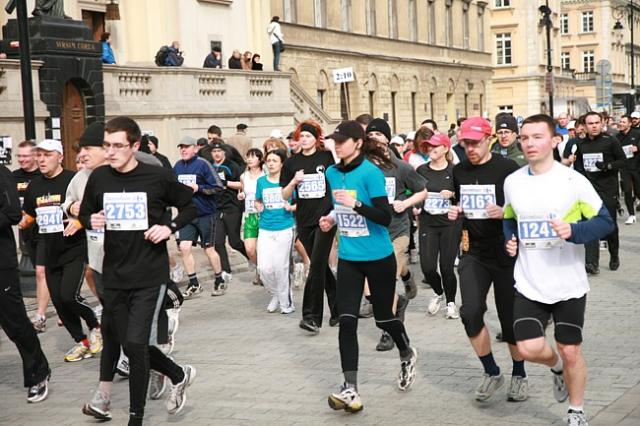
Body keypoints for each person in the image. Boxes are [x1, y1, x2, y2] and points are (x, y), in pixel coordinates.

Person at [79, 116, 197, 425]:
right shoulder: (99, 177)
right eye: (107, 145)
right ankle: (178, 374)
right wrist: (92, 220)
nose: (111, 152)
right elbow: (86, 212)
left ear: (134, 146)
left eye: (118, 146)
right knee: (129, 343)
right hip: (114, 275)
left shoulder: (156, 176)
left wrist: (169, 227)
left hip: (149, 275)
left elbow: (189, 206)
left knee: (134, 344)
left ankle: (136, 418)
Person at [503, 114, 615, 426]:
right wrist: (510, 240)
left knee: (570, 351)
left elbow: (605, 222)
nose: (529, 143)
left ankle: (576, 412)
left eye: (537, 137)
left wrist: (573, 231)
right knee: (528, 348)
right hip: (529, 281)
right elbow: (510, 219)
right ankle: (555, 368)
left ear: (555, 141)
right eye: (525, 138)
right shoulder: (513, 182)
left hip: (568, 283)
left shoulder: (573, 181)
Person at [319, 120, 418, 413]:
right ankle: (350, 388)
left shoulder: (371, 173)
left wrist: (356, 205)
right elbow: (338, 205)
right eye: (335, 141)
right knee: (347, 321)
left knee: (383, 319)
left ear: (358, 143)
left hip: (378, 258)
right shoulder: (332, 172)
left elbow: (384, 217)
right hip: (349, 258)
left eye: (342, 141)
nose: (337, 145)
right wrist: (331, 218)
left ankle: (406, 351)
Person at [447, 117, 527, 403]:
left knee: (509, 320)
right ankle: (492, 371)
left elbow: (526, 207)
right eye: (465, 143)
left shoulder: (508, 169)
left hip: (505, 252)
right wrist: (455, 211)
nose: (470, 148)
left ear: (489, 139)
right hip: (474, 252)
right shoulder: (459, 170)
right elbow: (459, 202)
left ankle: (519, 374)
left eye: (475, 143)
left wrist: (505, 211)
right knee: (470, 312)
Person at [19, 139, 102, 362]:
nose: (41, 160)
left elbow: (90, 207)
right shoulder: (34, 186)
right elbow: (29, 215)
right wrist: (18, 220)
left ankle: (95, 326)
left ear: (60, 157)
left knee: (69, 295)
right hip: (48, 248)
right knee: (58, 301)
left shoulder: (72, 180)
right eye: (39, 155)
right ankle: (81, 342)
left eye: (47, 155)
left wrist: (80, 220)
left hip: (74, 247)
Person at [365, 118, 426, 351]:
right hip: (373, 231)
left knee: (386, 279)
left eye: (378, 135)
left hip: (397, 229)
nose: (374, 139)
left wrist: (406, 203)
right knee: (371, 289)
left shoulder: (400, 167)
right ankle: (402, 289)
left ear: (387, 139)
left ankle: (387, 331)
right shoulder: (362, 168)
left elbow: (422, 191)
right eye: (370, 136)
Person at [281, 120, 339, 335]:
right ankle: (339, 309)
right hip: (304, 221)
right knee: (320, 266)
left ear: (316, 139)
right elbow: (284, 194)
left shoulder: (326, 158)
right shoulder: (291, 163)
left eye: (308, 136)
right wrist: (293, 182)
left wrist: (333, 150)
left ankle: (311, 317)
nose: (304, 139)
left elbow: (342, 173)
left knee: (315, 267)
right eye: (301, 136)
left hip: (325, 220)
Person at [0, 163, 51, 403]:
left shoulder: (2, 173)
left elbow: (13, 213)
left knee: (14, 322)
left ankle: (38, 372)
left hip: (1, 264)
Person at [416, 132, 461, 319]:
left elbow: (463, 197)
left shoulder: (455, 171)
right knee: (427, 267)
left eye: (435, 146)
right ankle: (438, 292)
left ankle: (451, 303)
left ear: (445, 148)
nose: (431, 149)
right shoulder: (421, 170)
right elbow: (414, 192)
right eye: (429, 146)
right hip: (428, 223)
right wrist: (416, 205)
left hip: (450, 224)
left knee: (446, 267)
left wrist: (452, 195)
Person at [573, 111, 626, 274]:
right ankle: (592, 262)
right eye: (590, 124)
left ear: (602, 123)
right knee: (589, 223)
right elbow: (578, 165)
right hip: (589, 190)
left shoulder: (610, 140)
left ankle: (614, 254)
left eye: (597, 123)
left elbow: (622, 161)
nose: (594, 126)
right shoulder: (581, 144)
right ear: (584, 126)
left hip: (608, 189)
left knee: (609, 225)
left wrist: (607, 166)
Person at [173, 136, 226, 298]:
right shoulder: (177, 166)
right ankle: (194, 283)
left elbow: (219, 187)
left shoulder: (203, 164)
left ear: (195, 148)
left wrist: (199, 188)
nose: (183, 150)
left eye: (186, 147)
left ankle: (219, 279)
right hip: (186, 214)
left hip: (205, 214)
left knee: (208, 249)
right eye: (181, 147)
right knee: (184, 248)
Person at [13, 140, 49, 333]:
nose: (22, 159)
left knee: (41, 272)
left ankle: (40, 316)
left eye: (26, 156)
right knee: (41, 272)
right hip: (26, 232)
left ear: (35, 156)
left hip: (45, 232)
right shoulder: (13, 177)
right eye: (19, 156)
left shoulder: (42, 175)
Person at [255, 149, 296, 313]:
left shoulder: (288, 182)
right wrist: (258, 205)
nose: (271, 164)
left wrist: (291, 207)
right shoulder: (261, 181)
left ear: (282, 163)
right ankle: (276, 294)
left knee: (281, 267)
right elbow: (258, 200)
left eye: (274, 161)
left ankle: (286, 303)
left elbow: (301, 202)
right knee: (263, 268)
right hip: (265, 228)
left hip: (284, 228)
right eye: (268, 161)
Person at [211, 140, 249, 279]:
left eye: (219, 151)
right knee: (218, 241)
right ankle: (225, 271)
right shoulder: (209, 166)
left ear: (224, 152)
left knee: (234, 241)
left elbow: (242, 184)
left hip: (232, 207)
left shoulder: (231, 166)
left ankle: (252, 257)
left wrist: (225, 183)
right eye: (214, 151)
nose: (217, 154)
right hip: (216, 207)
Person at [238, 148, 265, 285]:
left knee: (264, 248)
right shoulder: (243, 176)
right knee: (249, 249)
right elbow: (243, 191)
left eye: (253, 157)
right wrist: (241, 195)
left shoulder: (265, 175)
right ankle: (260, 269)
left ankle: (262, 273)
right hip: (250, 215)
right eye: (248, 157)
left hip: (264, 215)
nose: (249, 159)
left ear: (260, 159)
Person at [615, 115, 640, 224]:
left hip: (637, 167)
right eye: (620, 121)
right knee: (627, 191)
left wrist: (638, 148)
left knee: (638, 191)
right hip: (624, 168)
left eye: (624, 122)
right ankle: (631, 215)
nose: (621, 123)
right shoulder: (617, 137)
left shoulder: (637, 133)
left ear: (629, 124)